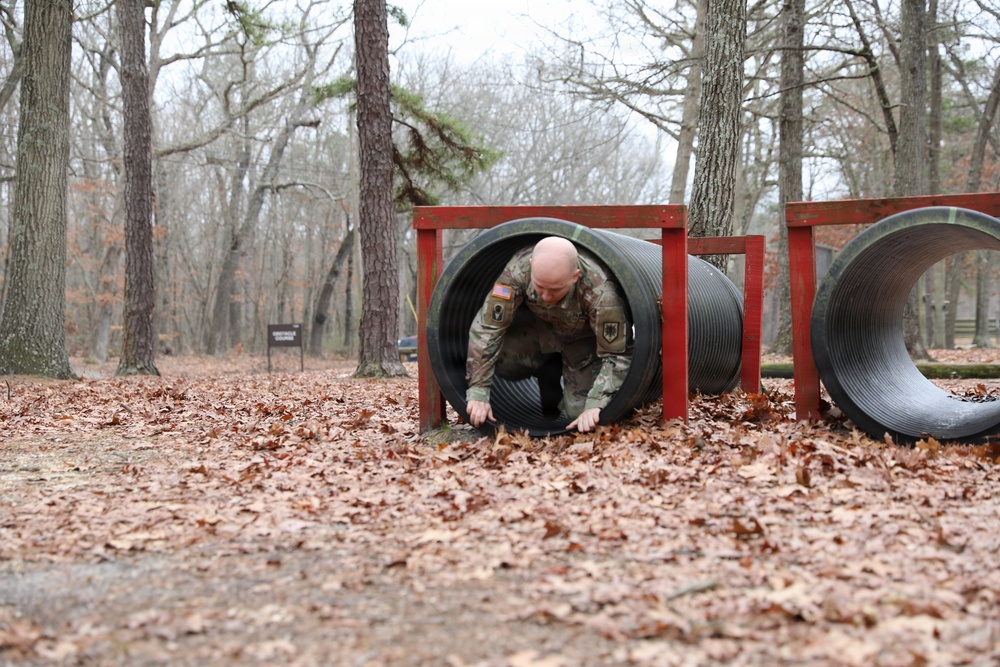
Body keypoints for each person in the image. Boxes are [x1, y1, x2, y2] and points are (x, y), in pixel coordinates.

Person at [465, 236, 632, 433]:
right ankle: (548, 369)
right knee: (504, 362)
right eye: (539, 287)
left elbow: (617, 354)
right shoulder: (518, 270)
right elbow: (487, 327)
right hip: (539, 333)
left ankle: (563, 378)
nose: (545, 296)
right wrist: (478, 390)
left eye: (555, 290)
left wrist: (596, 403)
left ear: (575, 276)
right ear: (531, 266)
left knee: (580, 415)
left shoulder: (600, 292)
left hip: (582, 344)